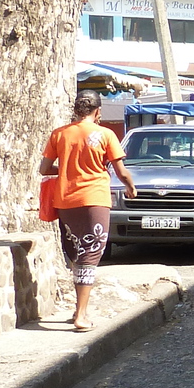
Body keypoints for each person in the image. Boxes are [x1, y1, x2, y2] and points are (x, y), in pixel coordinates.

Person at [40, 90, 137, 331]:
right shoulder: (105, 134)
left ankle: (78, 308)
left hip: (66, 201)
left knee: (76, 251)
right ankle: (81, 315)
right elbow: (121, 171)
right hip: (94, 199)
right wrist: (130, 187)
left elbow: (44, 169)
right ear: (98, 111)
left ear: (75, 110)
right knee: (92, 252)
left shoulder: (59, 134)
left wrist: (68, 170)